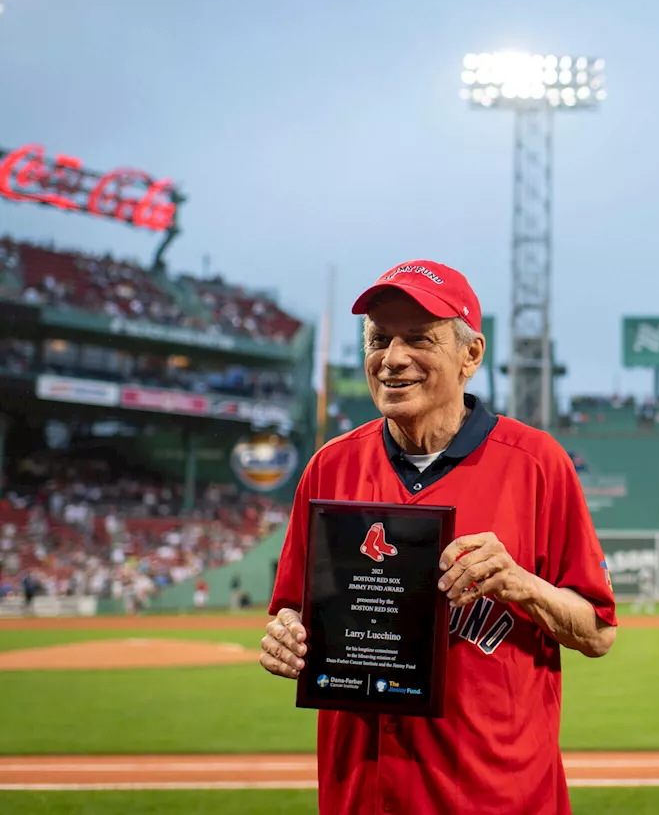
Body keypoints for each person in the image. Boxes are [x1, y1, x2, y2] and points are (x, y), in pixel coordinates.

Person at [259, 259, 618, 815]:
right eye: (380, 339)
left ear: (470, 355)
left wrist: (523, 584)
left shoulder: (537, 464)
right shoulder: (330, 467)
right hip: (362, 796)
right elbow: (290, 612)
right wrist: (284, 635)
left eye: (418, 338)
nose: (393, 357)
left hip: (499, 797)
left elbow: (597, 632)